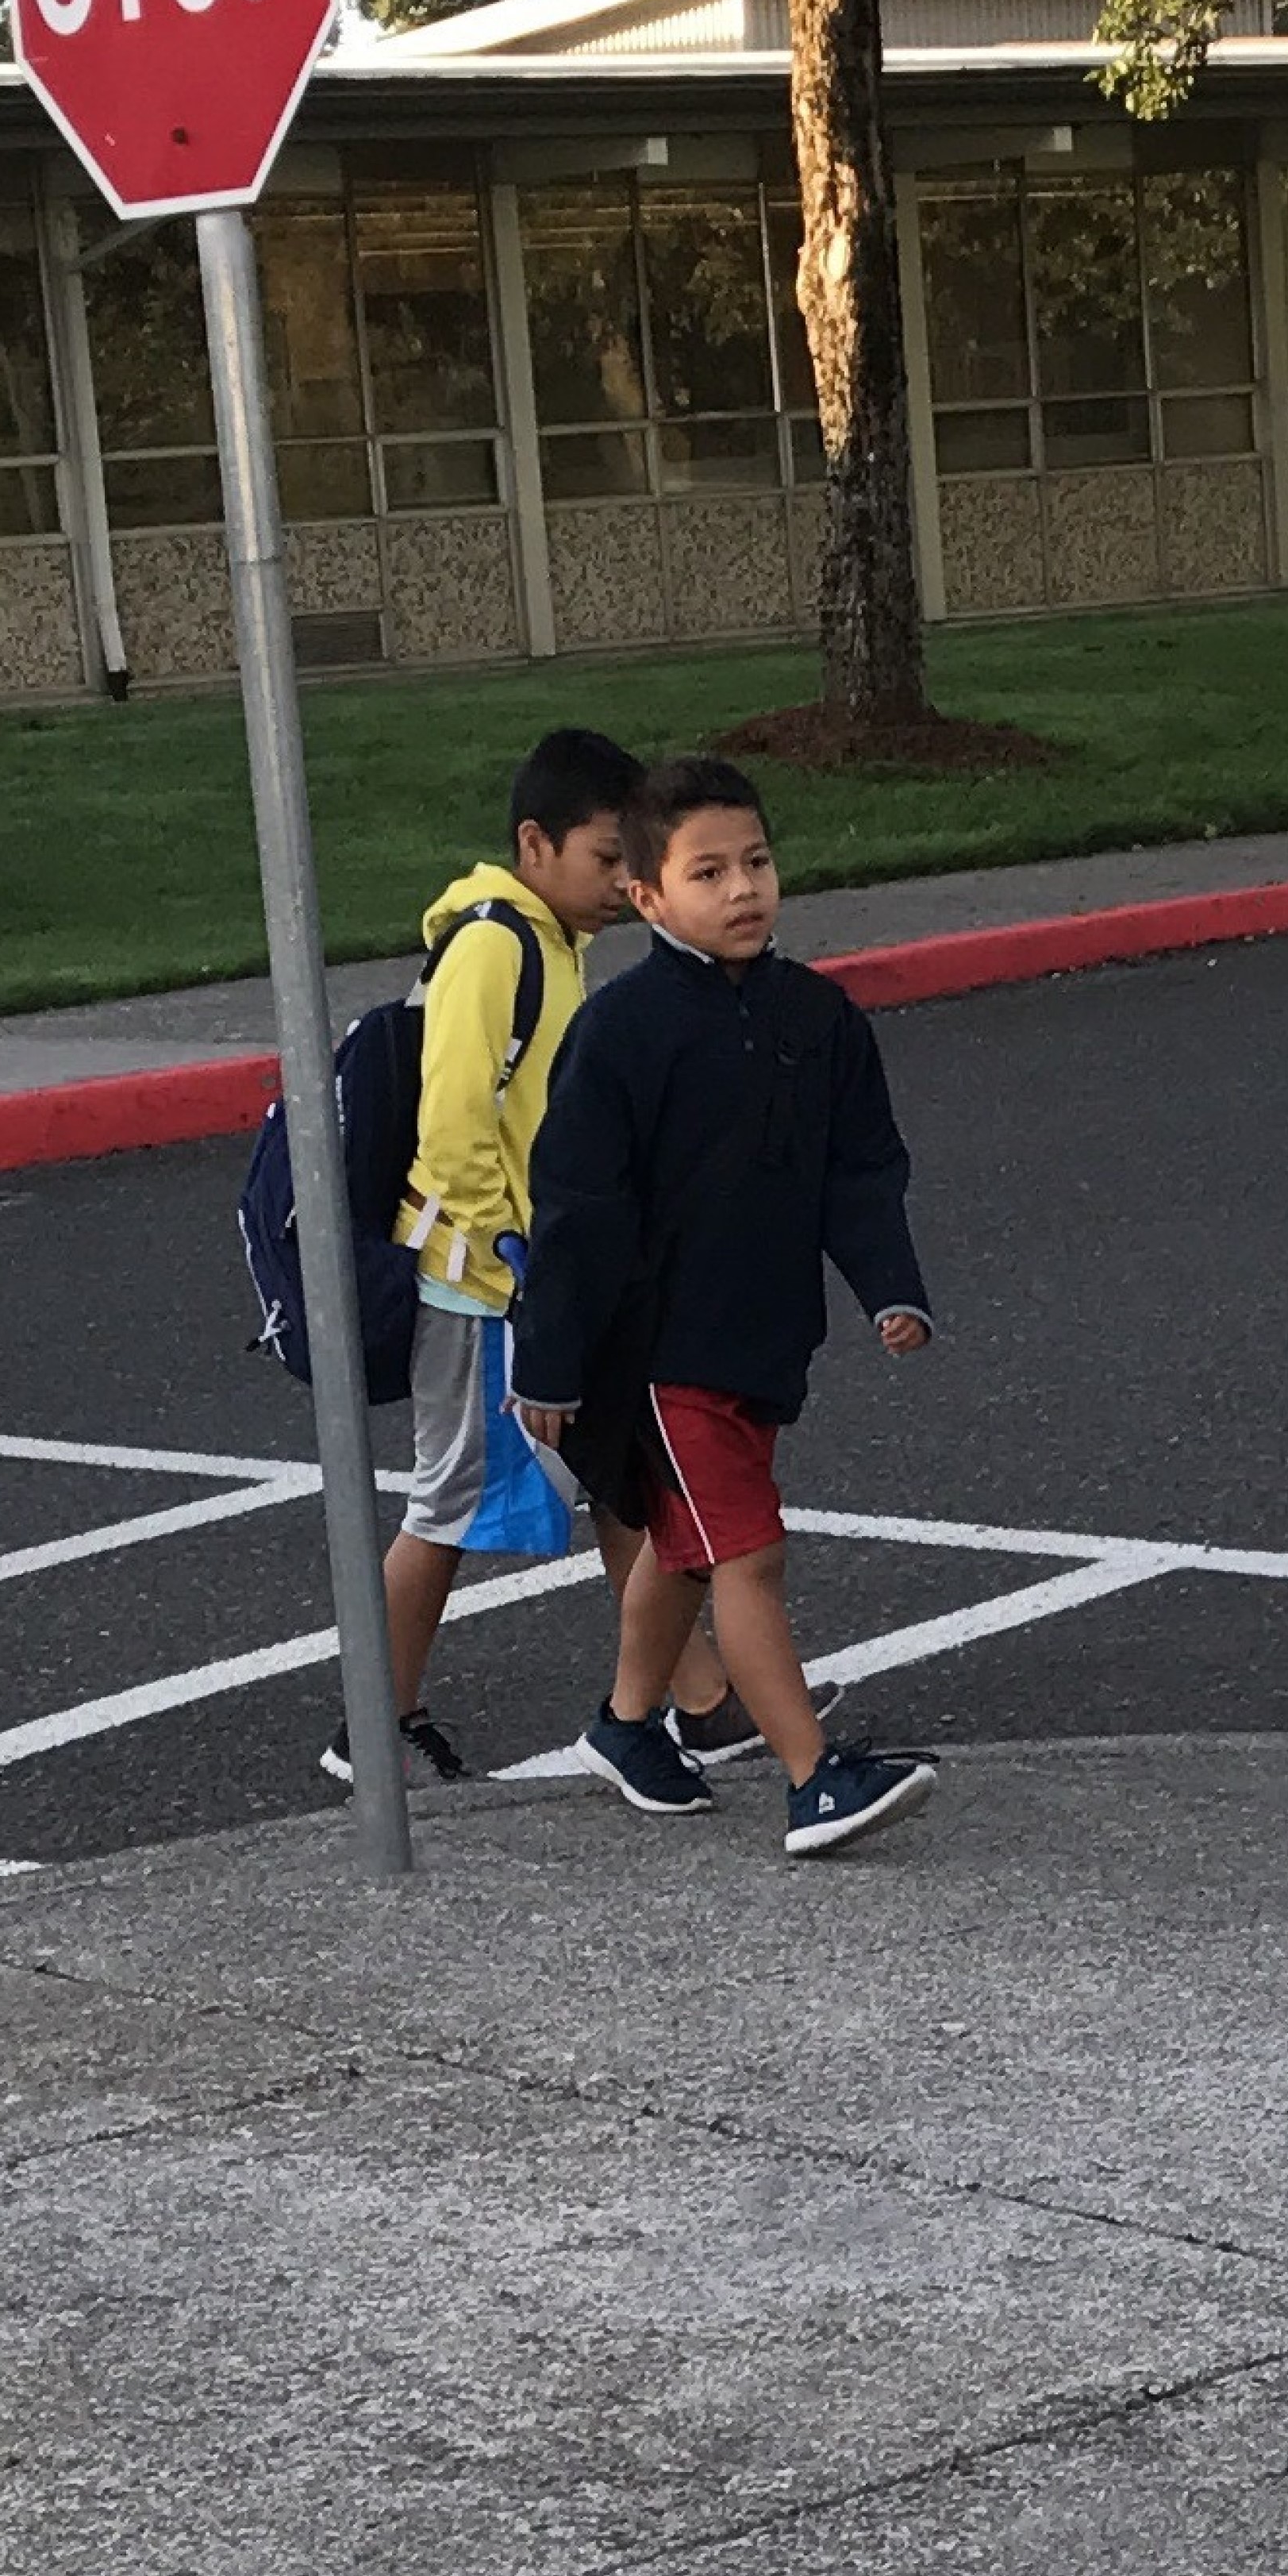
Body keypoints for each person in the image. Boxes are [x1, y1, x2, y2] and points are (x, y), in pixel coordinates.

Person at [509, 754, 946, 1855]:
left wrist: (890, 1287)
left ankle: (622, 1726)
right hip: (658, 1351)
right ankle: (813, 1780)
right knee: (746, 1552)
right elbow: (577, 1208)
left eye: (755, 862)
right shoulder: (621, 1031)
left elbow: (858, 1169)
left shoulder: (817, 1017)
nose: (743, 888)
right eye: (707, 872)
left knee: (689, 1543)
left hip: (761, 1336)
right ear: (647, 897)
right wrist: (550, 1363)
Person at [322, 726, 748, 1792]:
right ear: (535, 842)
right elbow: (456, 1127)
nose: (624, 881)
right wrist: (523, 1266)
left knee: (619, 1484)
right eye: (608, 859)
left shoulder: (551, 946)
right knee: (448, 1502)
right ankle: (375, 1725)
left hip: (546, 1276)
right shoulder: (493, 947)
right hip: (482, 1285)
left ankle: (696, 1701)